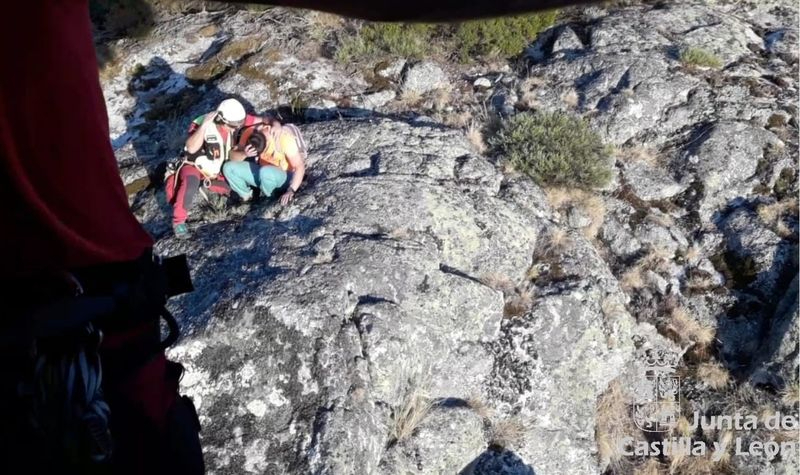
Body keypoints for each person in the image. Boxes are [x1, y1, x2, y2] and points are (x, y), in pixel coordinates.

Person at [1, 0, 590, 473]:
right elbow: (214, 152)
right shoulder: (236, 131)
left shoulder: (278, 139)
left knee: (244, 178)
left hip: (85, 323)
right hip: (91, 329)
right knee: (225, 176)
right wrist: (219, 157)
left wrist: (284, 192)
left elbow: (293, 168)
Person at [165, 98, 262, 238]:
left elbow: (259, 120)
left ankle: (212, 190)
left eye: (239, 125)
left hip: (215, 173)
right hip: (194, 166)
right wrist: (204, 126)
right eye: (233, 126)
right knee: (190, 181)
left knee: (233, 191)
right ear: (222, 119)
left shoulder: (235, 119)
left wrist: (274, 124)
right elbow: (191, 148)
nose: (236, 128)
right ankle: (178, 222)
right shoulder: (201, 123)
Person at [223, 119, 307, 206]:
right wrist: (244, 153)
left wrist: (291, 190)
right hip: (263, 174)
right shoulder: (250, 132)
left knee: (265, 172)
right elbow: (232, 156)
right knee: (228, 168)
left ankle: (272, 197)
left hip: (284, 176)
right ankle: (248, 197)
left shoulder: (283, 139)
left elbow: (299, 166)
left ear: (267, 142)